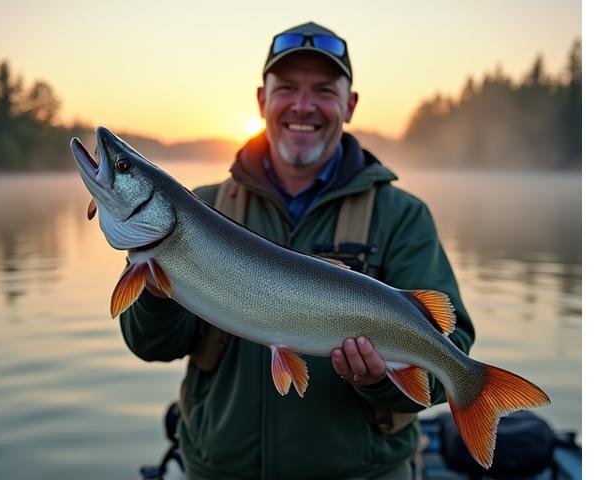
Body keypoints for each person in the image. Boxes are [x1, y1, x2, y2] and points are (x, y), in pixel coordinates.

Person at [120, 21, 475, 480]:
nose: (303, 105)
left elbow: (450, 351)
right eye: (286, 87)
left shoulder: (402, 216)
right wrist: (153, 290)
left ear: (349, 105)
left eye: (323, 90)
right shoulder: (198, 209)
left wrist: (380, 381)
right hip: (219, 470)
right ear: (262, 100)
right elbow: (151, 346)